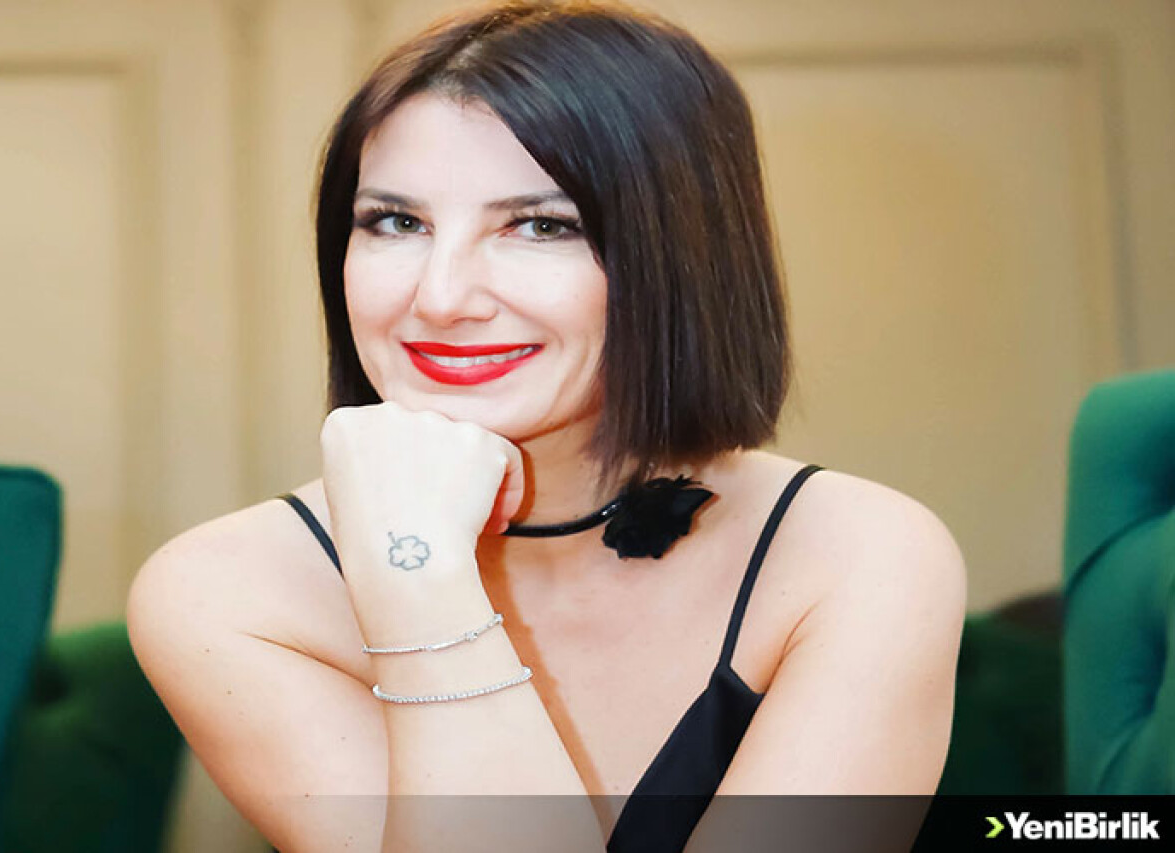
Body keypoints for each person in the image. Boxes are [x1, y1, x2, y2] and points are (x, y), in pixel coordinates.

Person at [126, 1, 967, 851]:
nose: (441, 297)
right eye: (397, 222)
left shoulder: (857, 556)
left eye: (540, 225)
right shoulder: (225, 591)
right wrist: (420, 581)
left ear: (681, 255)